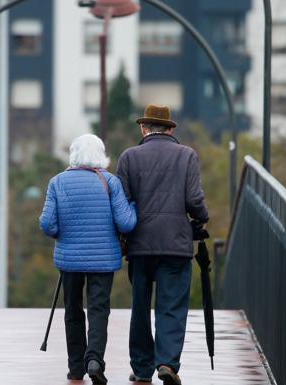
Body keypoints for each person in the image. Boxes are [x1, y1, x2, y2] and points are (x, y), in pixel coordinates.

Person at [117, 104, 209, 385]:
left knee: (141, 306)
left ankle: (142, 368)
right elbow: (194, 200)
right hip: (175, 243)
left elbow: (121, 203)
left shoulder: (129, 157)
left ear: (144, 129)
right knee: (172, 305)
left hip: (140, 244)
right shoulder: (187, 155)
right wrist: (201, 218)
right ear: (170, 129)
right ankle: (167, 363)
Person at [39, 134, 137, 384]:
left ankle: (75, 368)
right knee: (98, 309)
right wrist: (134, 206)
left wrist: (66, 233)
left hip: (69, 259)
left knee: (72, 310)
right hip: (103, 260)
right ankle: (94, 360)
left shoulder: (57, 182)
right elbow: (126, 222)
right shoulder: (110, 182)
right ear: (101, 155)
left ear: (73, 154)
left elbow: (47, 224)